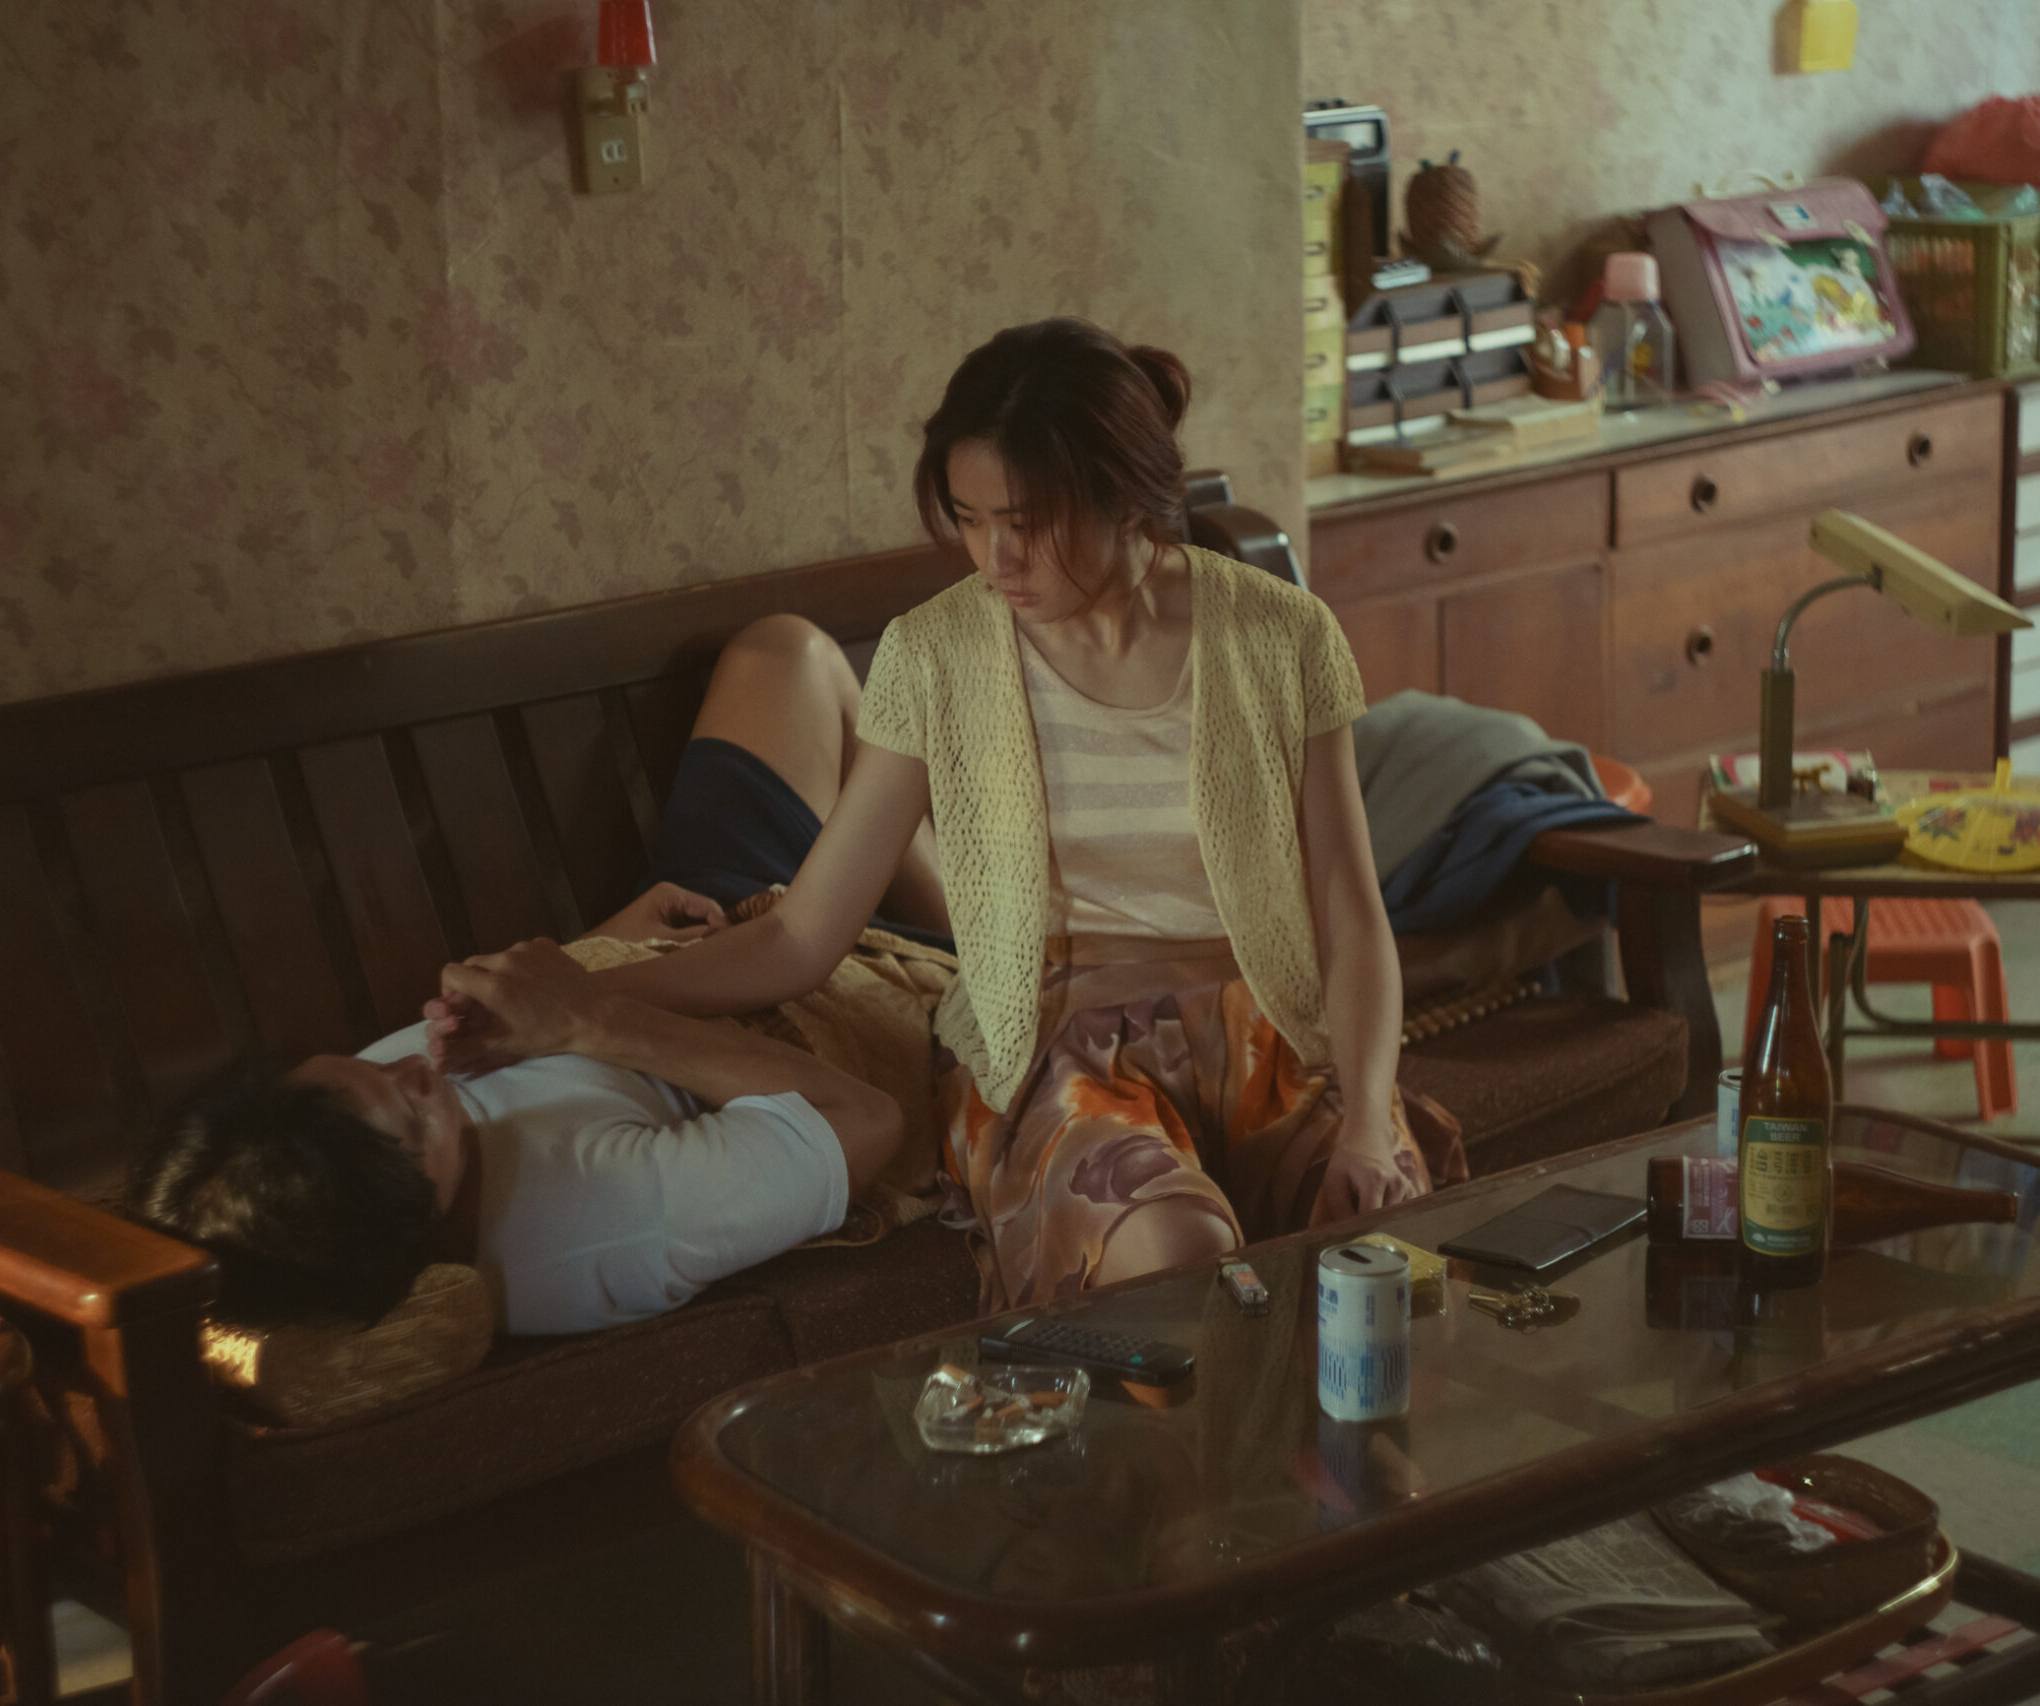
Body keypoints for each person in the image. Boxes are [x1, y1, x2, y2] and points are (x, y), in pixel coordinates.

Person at [431, 317, 1463, 1310]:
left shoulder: (1281, 635)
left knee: (1384, 1259)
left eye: (1025, 523)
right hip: (1062, 1048)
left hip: (1272, 1033)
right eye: (970, 520)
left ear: (1122, 496)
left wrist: (1368, 1123)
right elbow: (800, 936)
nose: (993, 559)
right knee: (1176, 1257)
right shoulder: (937, 655)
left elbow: (1348, 914)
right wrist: (578, 999)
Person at [132, 616, 927, 1334]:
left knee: (784, 653)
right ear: (423, 1235)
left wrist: (606, 946)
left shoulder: (338, 1126)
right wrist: (592, 1018)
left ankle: (919, 893)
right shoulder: (612, 1224)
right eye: (415, 1118)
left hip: (706, 941)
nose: (414, 1070)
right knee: (929, 690)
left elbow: (543, 1042)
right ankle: (946, 926)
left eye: (356, 1068)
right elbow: (863, 1118)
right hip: (833, 1005)